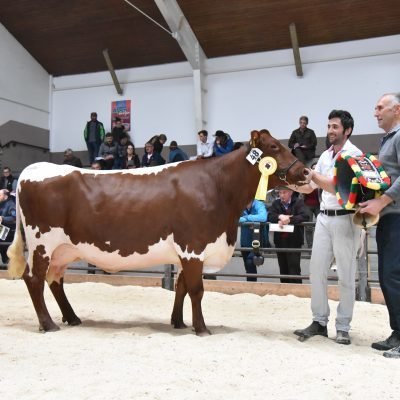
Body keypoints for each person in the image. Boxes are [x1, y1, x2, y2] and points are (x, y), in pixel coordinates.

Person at [289, 109, 362, 345]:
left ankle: (343, 326)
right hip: (323, 217)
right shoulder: (325, 156)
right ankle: (319, 321)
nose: (330, 130)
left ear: (347, 130)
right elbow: (310, 187)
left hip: (345, 218)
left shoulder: (354, 155)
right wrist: (288, 183)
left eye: (335, 127)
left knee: (345, 275)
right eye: (329, 126)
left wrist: (311, 175)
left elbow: (336, 187)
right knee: (316, 271)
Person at [358, 93, 400, 358]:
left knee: (393, 276)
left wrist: (381, 201)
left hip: (397, 216)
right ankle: (397, 332)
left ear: (397, 109)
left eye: (380, 107)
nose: (375, 112)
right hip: (388, 216)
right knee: (387, 276)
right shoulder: (387, 140)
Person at [267, 188, 308, 284]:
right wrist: (279, 216)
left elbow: (305, 216)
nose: (281, 195)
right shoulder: (276, 203)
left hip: (294, 241)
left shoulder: (298, 202)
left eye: (284, 192)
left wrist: (290, 220)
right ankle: (284, 289)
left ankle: (296, 289)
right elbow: (270, 216)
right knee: (283, 268)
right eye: (280, 193)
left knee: (294, 268)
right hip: (280, 241)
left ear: (291, 192)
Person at [239, 199, 269, 282]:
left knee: (250, 262)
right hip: (244, 241)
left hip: (257, 241)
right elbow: (234, 217)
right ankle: (251, 285)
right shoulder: (240, 204)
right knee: (248, 267)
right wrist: (254, 220)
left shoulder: (259, 204)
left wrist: (246, 218)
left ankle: (251, 286)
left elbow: (263, 217)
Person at [302, 162, 320, 248]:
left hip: (319, 205)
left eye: (316, 168)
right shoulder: (305, 179)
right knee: (308, 226)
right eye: (313, 168)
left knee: (320, 225)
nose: (314, 170)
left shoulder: (321, 179)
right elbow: (302, 191)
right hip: (307, 205)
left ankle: (319, 246)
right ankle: (310, 246)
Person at [0, 189, 16, 266]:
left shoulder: (11, 204)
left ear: (5, 195)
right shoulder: (1, 204)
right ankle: (5, 262)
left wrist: (3, 218)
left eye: (0, 195)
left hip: (8, 230)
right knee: (2, 248)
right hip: (2, 229)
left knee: (5, 248)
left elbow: (14, 217)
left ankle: (7, 263)